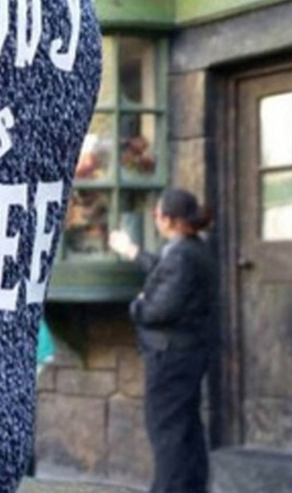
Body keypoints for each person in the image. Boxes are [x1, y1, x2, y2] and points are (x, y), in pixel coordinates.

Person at [109, 188, 216, 493]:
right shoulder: (191, 249)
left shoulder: (182, 255)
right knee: (185, 428)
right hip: (185, 353)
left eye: (156, 214)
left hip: (170, 357)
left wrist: (138, 304)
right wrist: (133, 252)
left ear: (169, 220)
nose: (155, 219)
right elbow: (163, 270)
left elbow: (157, 310)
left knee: (167, 430)